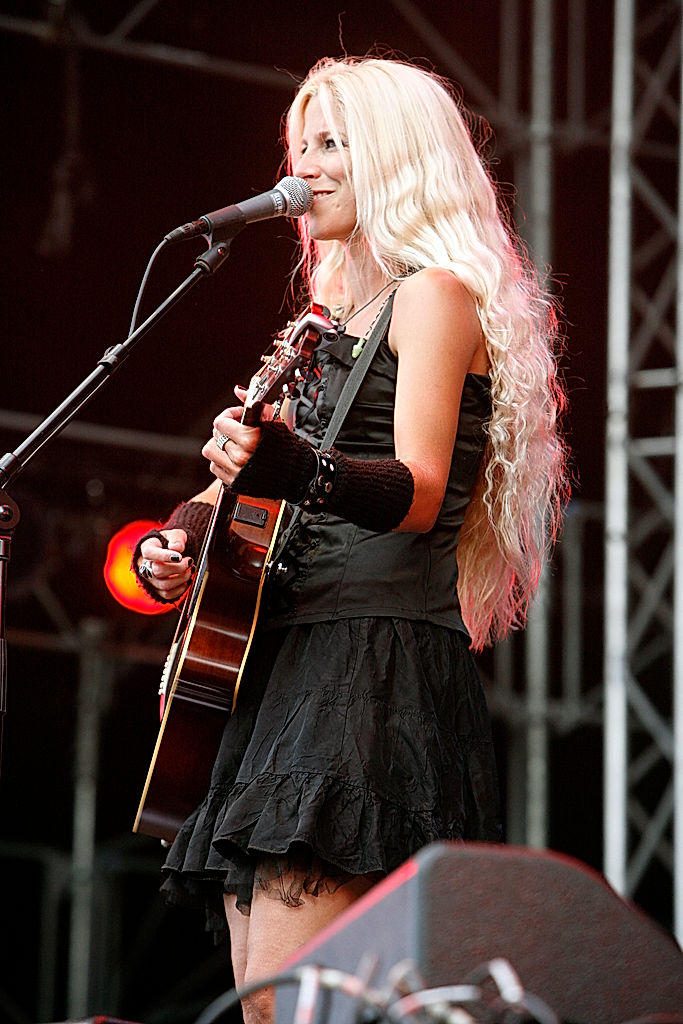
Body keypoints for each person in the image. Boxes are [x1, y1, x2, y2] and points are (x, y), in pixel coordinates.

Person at [132, 55, 568, 1024]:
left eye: (334, 143)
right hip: (281, 669)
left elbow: (411, 493)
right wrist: (176, 540)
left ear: (397, 158)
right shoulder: (322, 324)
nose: (309, 168)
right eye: (301, 147)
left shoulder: (433, 295)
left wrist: (278, 459)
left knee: (300, 1009)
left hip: (366, 664)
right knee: (270, 1005)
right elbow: (226, 493)